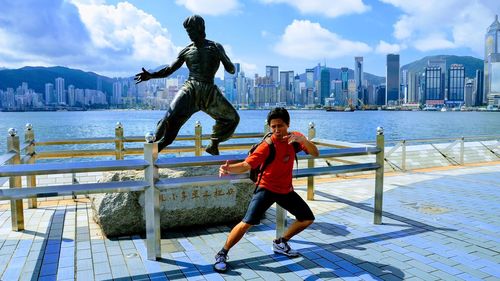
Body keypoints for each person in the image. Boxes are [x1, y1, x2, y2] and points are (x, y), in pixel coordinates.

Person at [214, 107, 319, 272]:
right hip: (266, 189)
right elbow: (246, 165)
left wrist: (303, 141)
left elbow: (315, 153)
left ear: (288, 124)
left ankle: (280, 242)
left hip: (286, 190)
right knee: (246, 224)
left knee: (307, 218)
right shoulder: (267, 145)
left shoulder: (295, 139)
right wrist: (229, 169)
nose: (277, 130)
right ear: (269, 127)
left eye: (280, 125)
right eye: (273, 127)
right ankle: (222, 253)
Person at [134, 15, 239, 155]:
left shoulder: (215, 46)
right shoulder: (186, 51)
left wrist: (221, 55)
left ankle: (214, 143)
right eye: (187, 32)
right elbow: (169, 70)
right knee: (169, 119)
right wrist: (151, 75)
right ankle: (151, 148)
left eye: (192, 31)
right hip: (190, 89)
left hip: (209, 91)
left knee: (232, 118)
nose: (189, 35)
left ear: (200, 28)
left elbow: (231, 70)